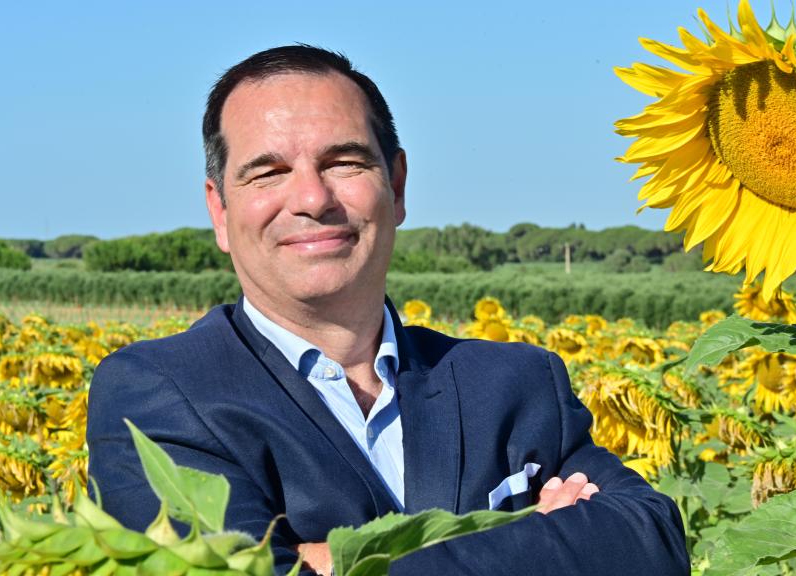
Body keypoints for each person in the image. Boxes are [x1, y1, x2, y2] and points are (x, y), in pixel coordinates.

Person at [87, 45, 689, 575]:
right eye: (268, 173)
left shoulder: (515, 383)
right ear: (220, 211)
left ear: (396, 186)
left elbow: (651, 543)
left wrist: (330, 561)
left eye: (344, 163)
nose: (312, 198)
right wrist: (519, 537)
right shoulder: (160, 393)